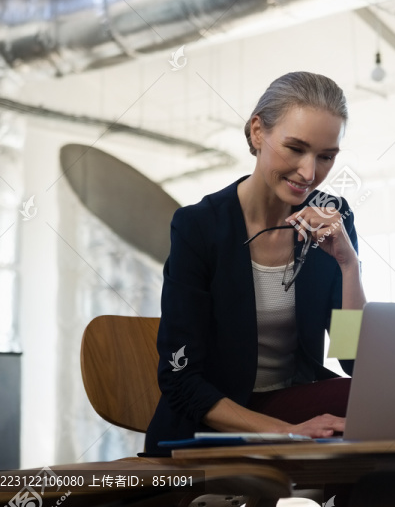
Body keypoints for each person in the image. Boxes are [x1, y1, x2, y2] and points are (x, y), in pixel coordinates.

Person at [145, 71, 366, 454]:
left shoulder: (331, 215)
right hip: (218, 419)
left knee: (380, 406)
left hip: (293, 405)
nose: (309, 173)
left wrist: (350, 265)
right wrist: (286, 433)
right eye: (295, 148)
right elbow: (180, 381)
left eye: (326, 156)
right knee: (361, 411)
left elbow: (352, 357)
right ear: (258, 132)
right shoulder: (199, 227)